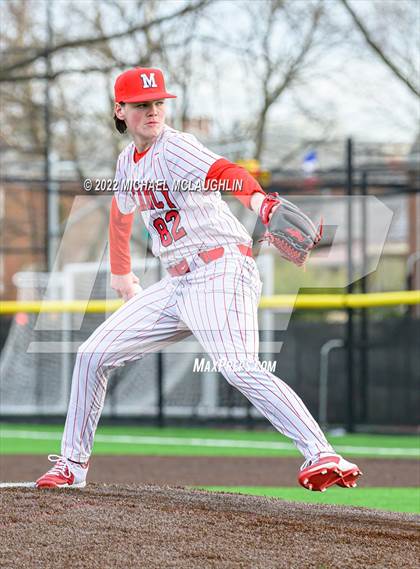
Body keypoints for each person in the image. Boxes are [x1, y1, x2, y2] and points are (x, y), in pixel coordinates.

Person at [35, 67, 361, 492]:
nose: (153, 111)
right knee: (92, 355)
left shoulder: (177, 148)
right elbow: (120, 211)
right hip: (178, 283)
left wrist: (261, 205)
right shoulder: (126, 162)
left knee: (238, 367)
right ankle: (72, 467)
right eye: (141, 105)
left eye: (158, 103)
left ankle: (322, 454)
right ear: (120, 110)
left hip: (221, 270)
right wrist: (122, 272)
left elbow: (226, 172)